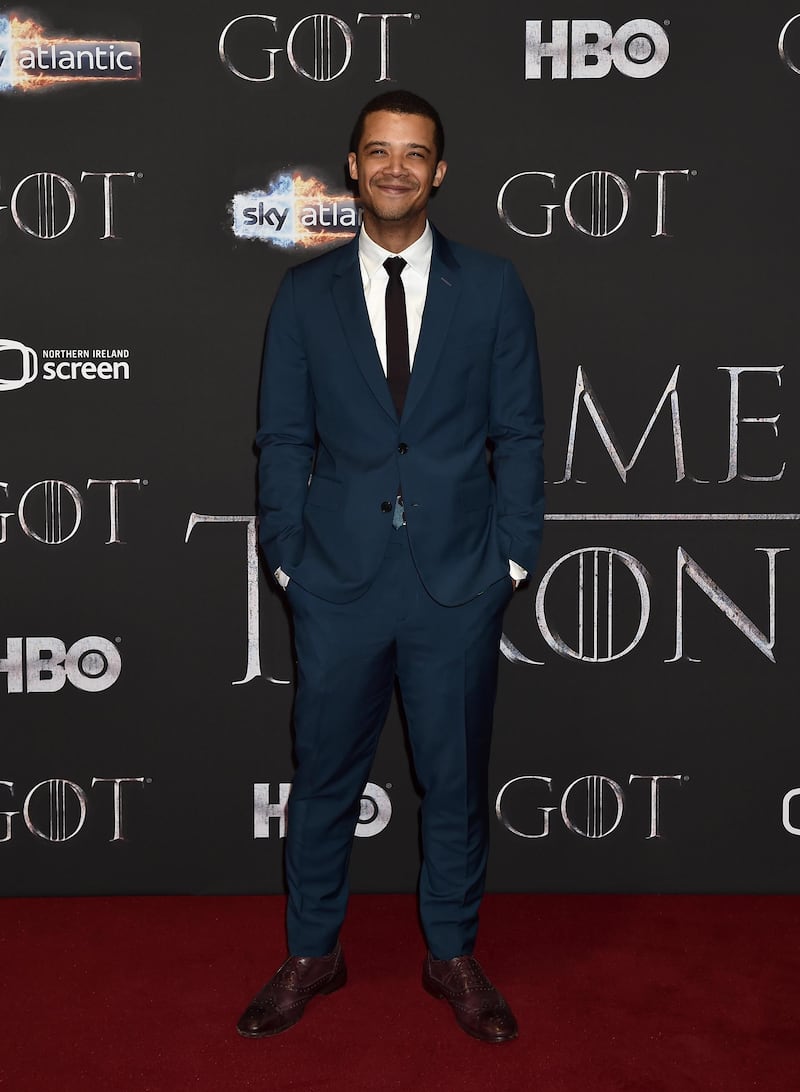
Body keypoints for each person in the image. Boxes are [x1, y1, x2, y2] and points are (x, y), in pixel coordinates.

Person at [237, 90, 544, 1044]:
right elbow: (282, 437)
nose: (397, 168)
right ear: (355, 167)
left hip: (459, 581)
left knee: (453, 783)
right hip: (336, 581)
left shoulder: (492, 288)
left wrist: (514, 557)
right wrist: (286, 556)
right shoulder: (304, 294)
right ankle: (311, 953)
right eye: (381, 152)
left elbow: (521, 433)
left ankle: (451, 952)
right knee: (324, 775)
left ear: (439, 171)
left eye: (416, 154)